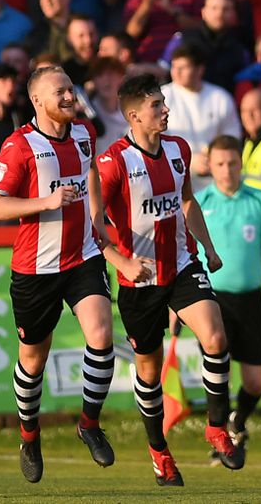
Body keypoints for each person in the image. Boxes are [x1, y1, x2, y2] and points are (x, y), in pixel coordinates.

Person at [96, 73, 244, 486]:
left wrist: (208, 247)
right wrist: (122, 264)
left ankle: (216, 427)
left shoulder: (179, 148)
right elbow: (94, 229)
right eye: (156, 106)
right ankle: (159, 450)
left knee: (215, 337)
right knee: (150, 370)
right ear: (133, 116)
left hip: (181, 264)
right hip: (139, 279)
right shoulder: (113, 163)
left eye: (164, 103)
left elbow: (187, 201)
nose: (165, 110)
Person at [0, 65, 118, 483]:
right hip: (35, 269)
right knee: (33, 360)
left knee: (101, 336)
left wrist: (97, 218)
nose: (68, 97)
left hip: (81, 258)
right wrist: (45, 202)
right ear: (37, 101)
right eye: (59, 92)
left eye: (70, 89)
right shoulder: (17, 147)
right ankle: (29, 436)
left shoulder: (84, 133)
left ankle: (89, 425)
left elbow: (92, 172)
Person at [195, 134, 261, 459]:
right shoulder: (200, 203)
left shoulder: (259, 200)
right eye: (220, 164)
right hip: (211, 301)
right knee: (218, 372)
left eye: (232, 163)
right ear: (210, 165)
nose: (226, 170)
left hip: (251, 299)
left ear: (242, 164)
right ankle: (220, 436)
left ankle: (238, 419)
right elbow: (187, 253)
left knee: (255, 382)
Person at [161, 44, 242, 192]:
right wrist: (188, 162)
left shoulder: (220, 98)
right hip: (176, 182)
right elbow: (156, 142)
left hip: (214, 183)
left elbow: (231, 138)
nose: (177, 72)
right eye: (174, 66)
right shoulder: (162, 97)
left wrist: (212, 158)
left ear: (200, 70)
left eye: (184, 67)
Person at [176, 0, 249, 94]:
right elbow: (163, 69)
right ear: (203, 12)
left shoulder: (240, 50)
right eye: (214, 8)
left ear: (234, 14)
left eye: (226, 9)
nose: (219, 14)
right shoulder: (183, 39)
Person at [124, 0, 203, 63]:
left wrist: (173, 11)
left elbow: (201, 27)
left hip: (182, 62)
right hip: (147, 61)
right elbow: (132, 32)